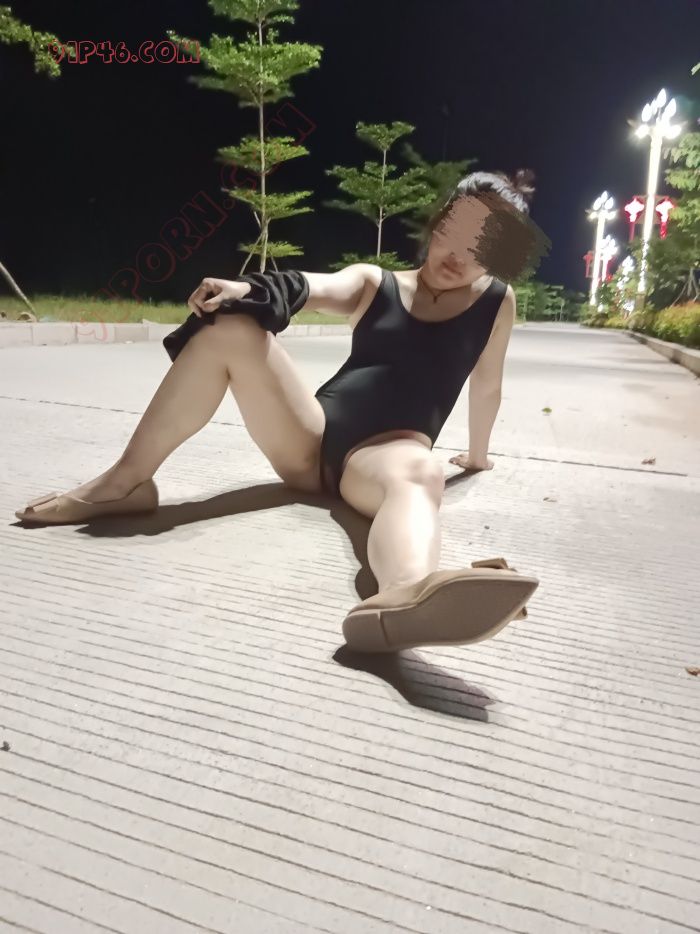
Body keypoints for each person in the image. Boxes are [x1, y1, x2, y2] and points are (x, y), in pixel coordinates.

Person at [15, 169, 548, 654]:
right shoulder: (376, 282)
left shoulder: (496, 302)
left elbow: (487, 385)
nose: (458, 254)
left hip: (385, 456)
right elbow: (309, 286)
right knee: (231, 324)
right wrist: (246, 288)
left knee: (420, 472)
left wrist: (476, 457)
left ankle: (404, 596)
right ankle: (127, 482)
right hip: (310, 436)